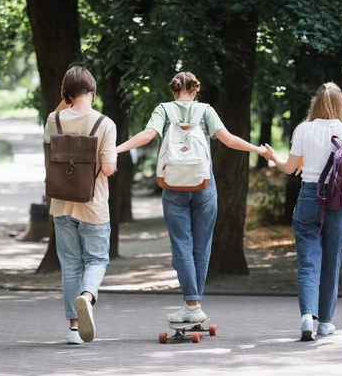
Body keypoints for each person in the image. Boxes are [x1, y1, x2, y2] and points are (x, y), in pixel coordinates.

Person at [116, 71, 267, 323]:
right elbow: (228, 140)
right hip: (203, 184)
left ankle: (192, 304)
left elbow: (146, 136)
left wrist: (116, 148)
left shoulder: (163, 110)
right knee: (202, 246)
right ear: (195, 90)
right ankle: (194, 304)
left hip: (173, 185)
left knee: (181, 245)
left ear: (173, 90)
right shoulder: (206, 111)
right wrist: (257, 149)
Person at [262, 82, 342, 341]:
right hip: (338, 202)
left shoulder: (303, 130)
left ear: (315, 103)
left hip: (309, 196)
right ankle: (325, 322)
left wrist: (273, 157)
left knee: (308, 263)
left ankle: (307, 317)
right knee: (331, 264)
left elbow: (289, 168)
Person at [43, 66, 117, 345]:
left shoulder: (55, 120)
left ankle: (73, 328)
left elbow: (55, 122)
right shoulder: (105, 124)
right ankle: (87, 296)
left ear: (67, 93)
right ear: (94, 93)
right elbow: (108, 168)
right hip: (93, 203)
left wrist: (66, 99)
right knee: (96, 259)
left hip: (61, 203)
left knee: (70, 265)